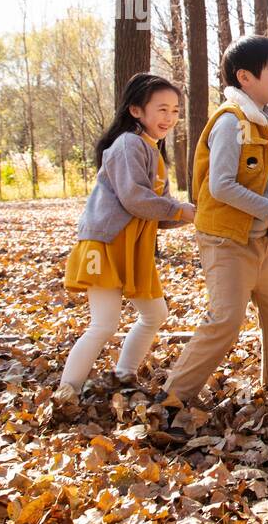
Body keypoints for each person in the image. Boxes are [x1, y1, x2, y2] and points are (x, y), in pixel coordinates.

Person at [160, 35, 268, 410]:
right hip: (225, 240)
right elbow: (220, 187)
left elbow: (263, 185)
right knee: (225, 321)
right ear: (245, 77)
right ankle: (173, 397)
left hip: (260, 242)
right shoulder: (230, 122)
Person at [58, 73, 194, 401]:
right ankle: (66, 392)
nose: (169, 118)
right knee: (103, 324)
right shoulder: (128, 144)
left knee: (155, 314)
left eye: (175, 111)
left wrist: (190, 215)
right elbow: (134, 198)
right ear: (136, 110)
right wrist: (179, 209)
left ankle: (123, 375)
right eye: (161, 109)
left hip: (134, 247)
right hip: (107, 242)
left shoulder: (153, 151)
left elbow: (155, 213)